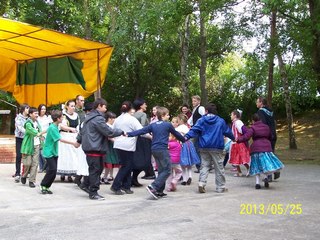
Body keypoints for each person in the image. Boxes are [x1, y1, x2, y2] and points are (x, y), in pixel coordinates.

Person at [127, 107, 185, 200]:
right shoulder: (168, 125)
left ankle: (159, 191)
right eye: (167, 115)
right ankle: (153, 186)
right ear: (162, 116)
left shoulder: (153, 125)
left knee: (162, 170)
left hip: (154, 150)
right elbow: (176, 134)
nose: (168, 116)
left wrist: (129, 134)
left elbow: (141, 131)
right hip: (163, 150)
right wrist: (184, 139)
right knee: (167, 170)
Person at [77, 98, 124, 200]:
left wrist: (79, 140)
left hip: (90, 147)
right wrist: (121, 132)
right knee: (96, 170)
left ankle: (86, 185)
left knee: (94, 169)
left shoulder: (88, 117)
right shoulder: (98, 118)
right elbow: (108, 131)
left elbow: (82, 131)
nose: (106, 108)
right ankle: (93, 193)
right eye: (105, 106)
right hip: (95, 147)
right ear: (99, 106)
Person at [185, 103, 235, 194]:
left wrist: (186, 137)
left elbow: (194, 130)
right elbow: (227, 131)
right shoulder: (220, 121)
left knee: (204, 166)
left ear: (206, 111)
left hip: (204, 146)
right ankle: (220, 187)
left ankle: (201, 183)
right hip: (217, 146)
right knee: (219, 167)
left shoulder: (201, 120)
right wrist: (234, 138)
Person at [236, 113, 284, 189]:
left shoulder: (253, 128)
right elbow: (270, 136)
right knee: (264, 164)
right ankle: (266, 177)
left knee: (256, 165)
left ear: (253, 120)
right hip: (266, 148)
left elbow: (246, 137)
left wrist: (238, 139)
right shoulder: (266, 127)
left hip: (256, 148)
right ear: (260, 119)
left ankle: (257, 183)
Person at [111, 101, 146, 195]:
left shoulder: (118, 119)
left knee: (127, 166)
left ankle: (126, 186)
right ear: (130, 109)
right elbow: (141, 130)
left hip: (118, 144)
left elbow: (113, 130)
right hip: (127, 145)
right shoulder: (132, 119)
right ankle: (116, 185)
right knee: (126, 166)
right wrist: (150, 136)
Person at [40, 110, 79, 194]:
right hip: (49, 152)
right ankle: (43, 185)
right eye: (61, 117)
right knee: (52, 170)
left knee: (53, 171)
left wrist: (40, 133)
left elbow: (47, 130)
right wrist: (73, 143)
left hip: (54, 151)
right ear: (58, 119)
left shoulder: (55, 125)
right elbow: (60, 139)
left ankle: (46, 187)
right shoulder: (53, 128)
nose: (63, 118)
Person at [132, 99, 155, 186]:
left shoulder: (133, 115)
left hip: (136, 138)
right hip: (144, 138)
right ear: (141, 105)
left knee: (137, 158)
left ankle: (134, 179)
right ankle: (134, 179)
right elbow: (143, 126)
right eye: (145, 104)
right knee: (145, 159)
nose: (146, 106)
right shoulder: (143, 114)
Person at [256, 96, 280, 181]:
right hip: (273, 134)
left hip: (267, 136)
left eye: (257, 102)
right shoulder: (270, 111)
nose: (256, 103)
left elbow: (263, 124)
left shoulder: (260, 112)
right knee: (271, 153)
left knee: (266, 155)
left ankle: (269, 175)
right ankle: (276, 169)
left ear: (261, 103)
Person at [57, 100, 80, 182]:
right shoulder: (63, 115)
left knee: (73, 156)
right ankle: (63, 174)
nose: (73, 108)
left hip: (74, 137)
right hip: (65, 136)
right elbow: (61, 125)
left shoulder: (76, 115)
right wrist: (70, 129)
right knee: (65, 155)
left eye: (74, 106)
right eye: (71, 106)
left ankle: (70, 174)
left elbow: (78, 125)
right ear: (67, 106)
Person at [20, 107, 44, 188]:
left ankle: (31, 181)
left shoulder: (37, 122)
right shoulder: (28, 123)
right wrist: (39, 133)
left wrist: (42, 141)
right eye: (35, 113)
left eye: (37, 113)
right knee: (28, 163)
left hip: (37, 145)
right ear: (30, 114)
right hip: (28, 146)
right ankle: (24, 175)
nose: (37, 115)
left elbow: (39, 133)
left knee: (35, 163)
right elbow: (32, 131)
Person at [176, 114, 200, 185]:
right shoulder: (187, 127)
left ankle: (184, 179)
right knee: (189, 163)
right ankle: (190, 176)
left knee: (182, 163)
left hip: (182, 145)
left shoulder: (179, 128)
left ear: (180, 120)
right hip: (189, 144)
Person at [228, 109, 250, 177]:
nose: (230, 116)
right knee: (235, 158)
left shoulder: (238, 122)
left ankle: (249, 169)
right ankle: (239, 172)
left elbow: (243, 130)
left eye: (231, 115)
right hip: (235, 143)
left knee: (242, 157)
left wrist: (240, 138)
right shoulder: (234, 122)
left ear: (235, 115)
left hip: (239, 143)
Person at [187, 95, 205, 173]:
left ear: (199, 101)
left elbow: (204, 117)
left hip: (198, 131)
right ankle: (200, 165)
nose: (193, 102)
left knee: (196, 148)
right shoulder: (195, 109)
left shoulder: (201, 108)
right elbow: (191, 120)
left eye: (195, 101)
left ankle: (200, 166)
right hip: (195, 130)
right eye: (192, 101)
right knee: (195, 148)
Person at [101, 111, 119, 185]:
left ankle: (107, 176)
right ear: (109, 119)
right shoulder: (106, 126)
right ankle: (104, 177)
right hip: (108, 146)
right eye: (113, 118)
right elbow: (109, 137)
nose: (114, 119)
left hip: (112, 146)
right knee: (108, 163)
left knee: (110, 163)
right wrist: (115, 141)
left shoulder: (112, 126)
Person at [14, 103, 29, 183]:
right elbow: (19, 128)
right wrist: (29, 132)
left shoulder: (29, 118)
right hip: (19, 138)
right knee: (19, 156)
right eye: (27, 108)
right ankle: (17, 173)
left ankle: (25, 173)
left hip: (27, 139)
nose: (28, 110)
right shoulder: (18, 117)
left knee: (27, 156)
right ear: (23, 109)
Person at [37, 104, 53, 173]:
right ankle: (41, 167)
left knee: (43, 152)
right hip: (38, 135)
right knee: (39, 153)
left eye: (44, 109)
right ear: (39, 110)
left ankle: (46, 167)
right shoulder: (37, 117)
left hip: (46, 136)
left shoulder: (48, 117)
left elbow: (51, 126)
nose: (43, 110)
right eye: (42, 109)